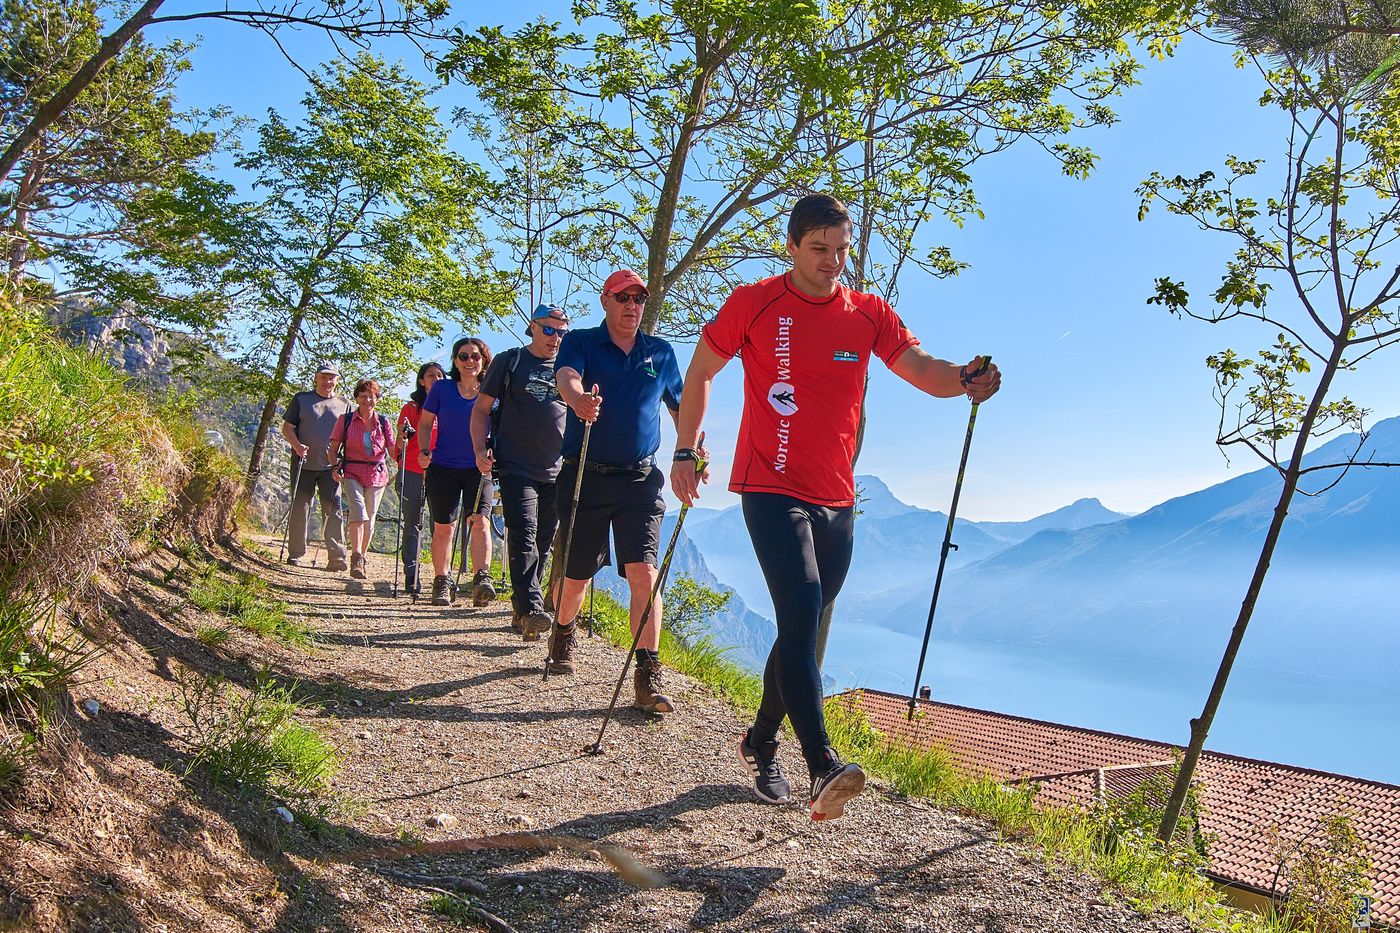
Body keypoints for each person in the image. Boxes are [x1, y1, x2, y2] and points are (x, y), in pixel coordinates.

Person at [669, 194, 1002, 821]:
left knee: (807, 624)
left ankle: (760, 739)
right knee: (798, 613)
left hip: (837, 497)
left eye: (841, 249)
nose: (832, 262)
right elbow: (701, 370)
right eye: (819, 249)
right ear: (791, 246)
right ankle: (821, 762)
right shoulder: (755, 302)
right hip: (768, 485)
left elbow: (923, 369)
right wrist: (686, 449)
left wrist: (966, 378)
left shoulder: (868, 313)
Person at [551, 270, 686, 714]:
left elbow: (681, 406)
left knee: (644, 574)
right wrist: (577, 400)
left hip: (640, 481)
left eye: (639, 298)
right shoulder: (583, 342)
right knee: (576, 579)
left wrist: (691, 448)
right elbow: (567, 376)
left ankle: (647, 675)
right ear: (606, 301)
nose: (632, 305)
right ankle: (564, 630)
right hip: (585, 473)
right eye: (622, 297)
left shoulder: (660, 353)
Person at [470, 304, 569, 641]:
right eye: (549, 330)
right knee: (523, 532)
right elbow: (481, 409)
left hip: (557, 469)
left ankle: (522, 609)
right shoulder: (510, 361)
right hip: (515, 466)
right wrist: (480, 451)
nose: (555, 338)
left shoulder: (570, 367)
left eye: (561, 332)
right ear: (533, 327)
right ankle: (530, 607)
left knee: (542, 540)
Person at [418, 337, 496, 607]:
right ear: (454, 360)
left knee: (480, 522)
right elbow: (425, 424)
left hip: (479, 467)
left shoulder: (492, 391)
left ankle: (481, 579)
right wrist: (424, 450)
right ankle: (442, 581)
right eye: (463, 356)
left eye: (475, 356)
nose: (470, 361)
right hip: (443, 467)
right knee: (444, 528)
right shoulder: (441, 388)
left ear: (484, 359)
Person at [281, 363, 352, 571]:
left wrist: (344, 462)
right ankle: (295, 553)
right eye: (323, 377)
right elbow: (287, 427)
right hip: (303, 463)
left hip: (331, 467)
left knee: (333, 509)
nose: (327, 381)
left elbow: (349, 437)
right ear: (316, 378)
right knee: (300, 507)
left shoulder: (345, 405)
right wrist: (297, 446)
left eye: (331, 377)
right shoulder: (301, 399)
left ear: (337, 380)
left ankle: (337, 557)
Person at [327, 379, 394, 580]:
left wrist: (406, 445)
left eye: (371, 396)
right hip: (352, 471)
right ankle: (356, 556)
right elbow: (333, 448)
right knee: (358, 511)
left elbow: (393, 451)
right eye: (363, 396)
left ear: (377, 400)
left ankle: (362, 556)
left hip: (377, 473)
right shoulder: (345, 420)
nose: (367, 400)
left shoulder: (384, 422)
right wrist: (334, 466)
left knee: (371, 516)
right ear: (356, 398)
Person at [393, 362, 445, 594]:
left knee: (440, 526)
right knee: (412, 524)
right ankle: (411, 575)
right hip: (412, 470)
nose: (436, 378)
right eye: (430, 375)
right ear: (421, 381)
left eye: (440, 375)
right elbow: (399, 442)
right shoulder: (411, 408)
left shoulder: (448, 406)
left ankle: (440, 577)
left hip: (442, 471)